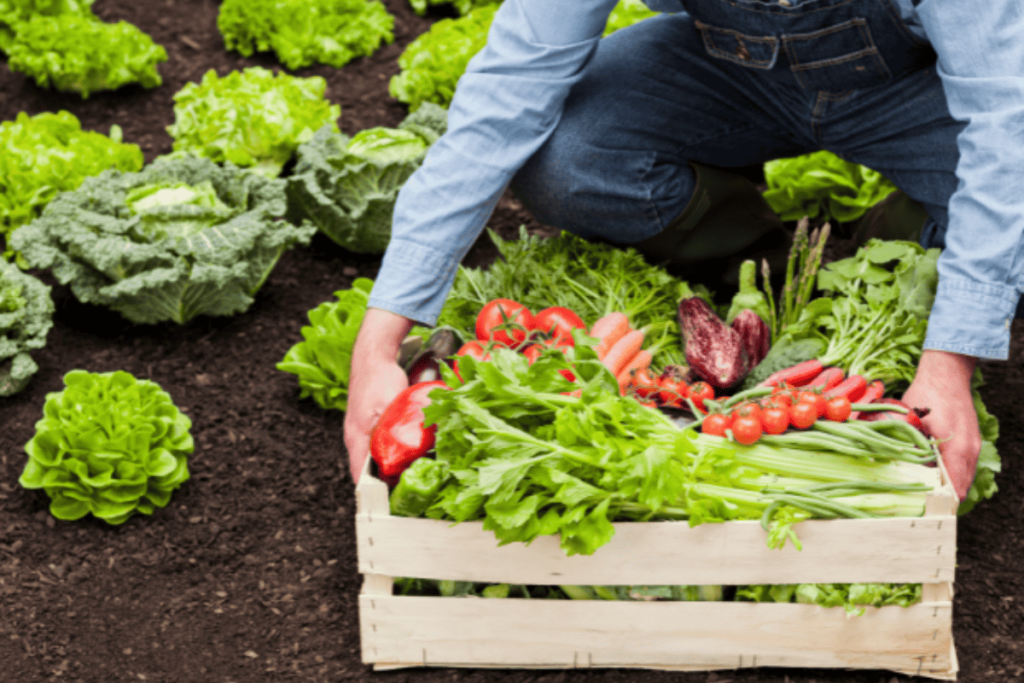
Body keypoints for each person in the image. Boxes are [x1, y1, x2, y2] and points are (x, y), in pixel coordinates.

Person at [344, 0, 1023, 501]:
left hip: (913, 90)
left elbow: (1004, 128)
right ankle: (762, 259)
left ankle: (899, 251)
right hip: (734, 75)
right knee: (568, 156)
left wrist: (950, 358)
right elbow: (506, 93)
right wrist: (379, 342)